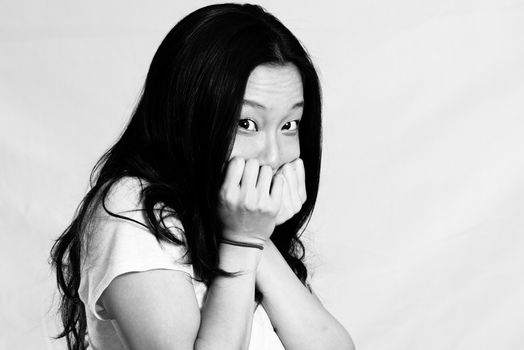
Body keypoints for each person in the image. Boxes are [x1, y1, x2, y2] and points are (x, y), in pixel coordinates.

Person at [51, 3, 354, 350]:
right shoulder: (131, 209)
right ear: (191, 116)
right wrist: (242, 244)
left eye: (289, 125)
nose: (272, 156)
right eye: (246, 124)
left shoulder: (234, 218)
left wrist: (255, 237)